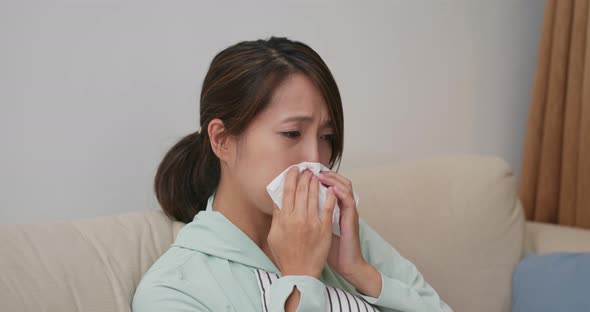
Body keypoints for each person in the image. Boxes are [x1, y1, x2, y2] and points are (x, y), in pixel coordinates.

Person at [132, 37, 453, 312]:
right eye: (291, 134)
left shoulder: (339, 232)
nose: (316, 159)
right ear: (222, 140)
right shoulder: (174, 291)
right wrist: (300, 278)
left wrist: (360, 271)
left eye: (326, 137)